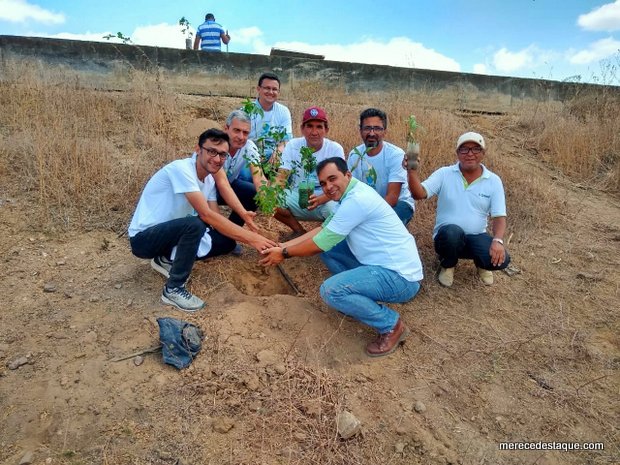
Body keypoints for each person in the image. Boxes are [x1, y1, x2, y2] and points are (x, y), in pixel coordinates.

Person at [260, 157, 424, 357]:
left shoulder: (357, 200)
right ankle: (356, 296)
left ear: (347, 175)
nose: (328, 187)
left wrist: (284, 254)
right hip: (381, 266)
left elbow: (320, 243)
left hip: (400, 278)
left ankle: (391, 325)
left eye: (332, 179)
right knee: (332, 250)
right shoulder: (348, 195)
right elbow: (323, 229)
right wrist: (282, 246)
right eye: (323, 183)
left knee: (331, 291)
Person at [128, 129, 276, 312]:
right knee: (195, 224)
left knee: (226, 242)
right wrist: (252, 239)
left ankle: (165, 259)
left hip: (171, 234)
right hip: (144, 239)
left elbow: (214, 219)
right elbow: (206, 215)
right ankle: (173, 288)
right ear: (198, 149)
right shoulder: (181, 169)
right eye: (211, 151)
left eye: (222, 154)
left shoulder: (209, 181)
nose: (216, 159)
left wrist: (249, 233)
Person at [406, 131, 510, 287]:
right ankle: (448, 265)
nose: (470, 154)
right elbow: (419, 194)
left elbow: (499, 217)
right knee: (452, 233)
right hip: (447, 237)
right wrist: (411, 172)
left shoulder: (493, 181)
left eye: (476, 149)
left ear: (483, 153)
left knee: (501, 261)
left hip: (476, 236)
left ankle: (482, 264)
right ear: (457, 153)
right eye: (464, 149)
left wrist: (498, 240)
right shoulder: (444, 174)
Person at [274, 106, 344, 234]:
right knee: (273, 200)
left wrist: (321, 199)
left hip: (325, 197)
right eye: (309, 126)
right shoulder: (293, 145)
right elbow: (282, 176)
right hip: (298, 195)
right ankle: (299, 232)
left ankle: (323, 237)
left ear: (326, 129)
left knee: (338, 210)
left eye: (319, 127)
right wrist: (270, 193)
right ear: (302, 129)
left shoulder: (335, 149)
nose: (314, 132)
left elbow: (340, 185)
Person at [348, 108, 415, 226]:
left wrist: (366, 217)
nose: (372, 133)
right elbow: (351, 191)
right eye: (367, 128)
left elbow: (392, 198)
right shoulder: (355, 155)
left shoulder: (395, 155)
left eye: (377, 128)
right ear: (360, 130)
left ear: (385, 132)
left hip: (398, 204)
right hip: (367, 206)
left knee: (380, 226)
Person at [240, 72, 293, 181]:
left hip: (274, 154)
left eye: (274, 89)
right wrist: (253, 154)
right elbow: (239, 138)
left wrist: (278, 152)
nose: (271, 92)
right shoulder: (246, 110)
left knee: (290, 173)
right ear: (258, 89)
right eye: (267, 88)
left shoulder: (283, 111)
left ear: (279, 92)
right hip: (249, 154)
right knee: (245, 176)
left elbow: (286, 140)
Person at [217, 109, 265, 226]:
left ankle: (230, 233)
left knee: (253, 192)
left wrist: (267, 199)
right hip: (206, 188)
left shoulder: (248, 146)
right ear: (226, 128)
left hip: (228, 184)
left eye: (245, 132)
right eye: (236, 130)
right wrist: (243, 212)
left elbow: (258, 177)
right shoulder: (216, 145)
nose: (241, 136)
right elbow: (221, 183)